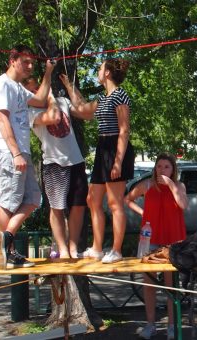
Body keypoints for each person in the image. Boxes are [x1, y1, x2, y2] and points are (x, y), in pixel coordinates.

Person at [59, 58, 135, 264]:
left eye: (100, 68)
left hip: (116, 148)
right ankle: (97, 248)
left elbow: (124, 129)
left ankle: (117, 250)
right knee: (92, 199)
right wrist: (69, 86)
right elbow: (83, 109)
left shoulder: (120, 95)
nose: (98, 72)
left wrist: (118, 161)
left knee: (114, 202)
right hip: (103, 149)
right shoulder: (103, 98)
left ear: (108, 73)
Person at [0, 45, 55, 269]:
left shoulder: (18, 88)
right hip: (9, 151)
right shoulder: (2, 85)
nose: (29, 67)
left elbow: (40, 100)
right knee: (11, 199)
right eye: (25, 62)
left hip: (21, 151)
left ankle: (6, 239)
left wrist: (48, 72)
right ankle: (5, 252)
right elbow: (2, 120)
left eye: (31, 63)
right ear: (13, 60)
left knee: (33, 198)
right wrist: (15, 152)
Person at [23, 77, 88, 259]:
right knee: (57, 207)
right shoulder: (30, 112)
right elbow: (54, 117)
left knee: (78, 206)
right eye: (34, 90)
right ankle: (63, 248)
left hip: (75, 160)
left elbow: (85, 112)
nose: (39, 91)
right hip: (54, 163)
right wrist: (50, 97)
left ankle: (73, 247)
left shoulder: (62, 102)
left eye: (40, 86)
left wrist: (69, 86)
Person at [125, 153, 187, 340]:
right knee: (149, 283)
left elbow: (183, 205)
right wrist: (144, 213)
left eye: (166, 166)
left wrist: (171, 186)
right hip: (150, 239)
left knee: (170, 285)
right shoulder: (147, 185)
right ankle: (150, 324)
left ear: (173, 169)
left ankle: (170, 326)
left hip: (172, 240)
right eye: (159, 166)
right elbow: (127, 199)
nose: (162, 170)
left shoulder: (179, 186)